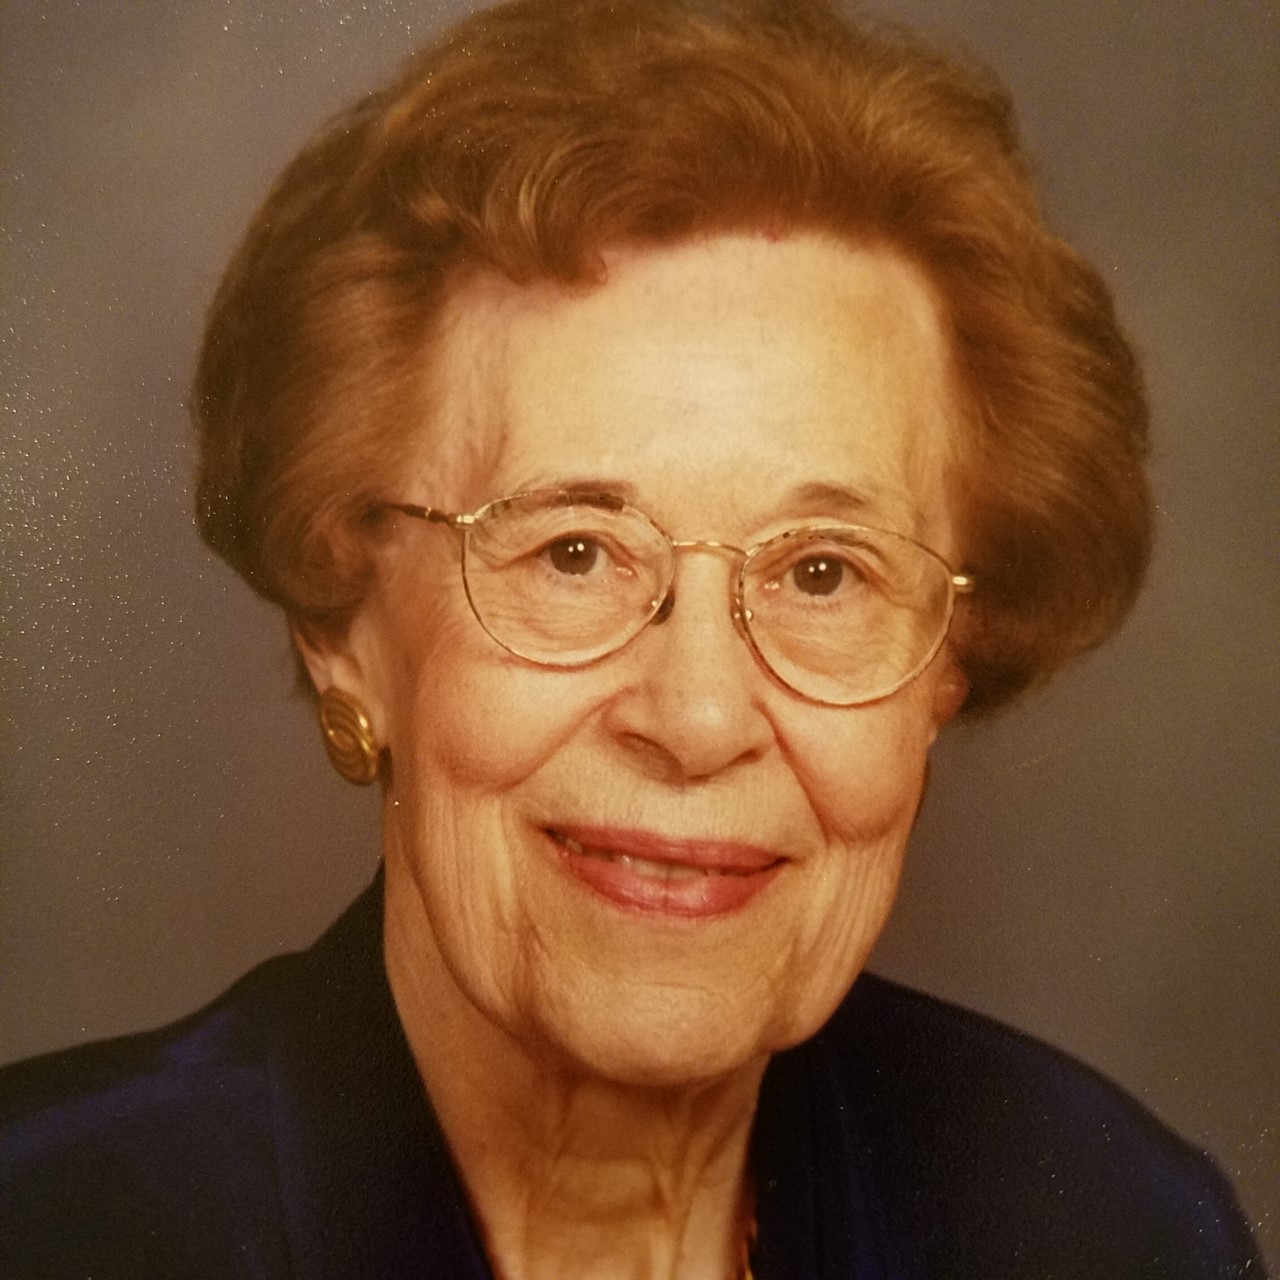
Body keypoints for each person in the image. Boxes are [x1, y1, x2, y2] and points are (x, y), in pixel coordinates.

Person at [0, 0, 1263, 1275]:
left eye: (822, 571)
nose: (697, 717)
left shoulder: (1112, 1228)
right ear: (341, 624)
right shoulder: (51, 1225)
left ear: (946, 664)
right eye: (573, 551)